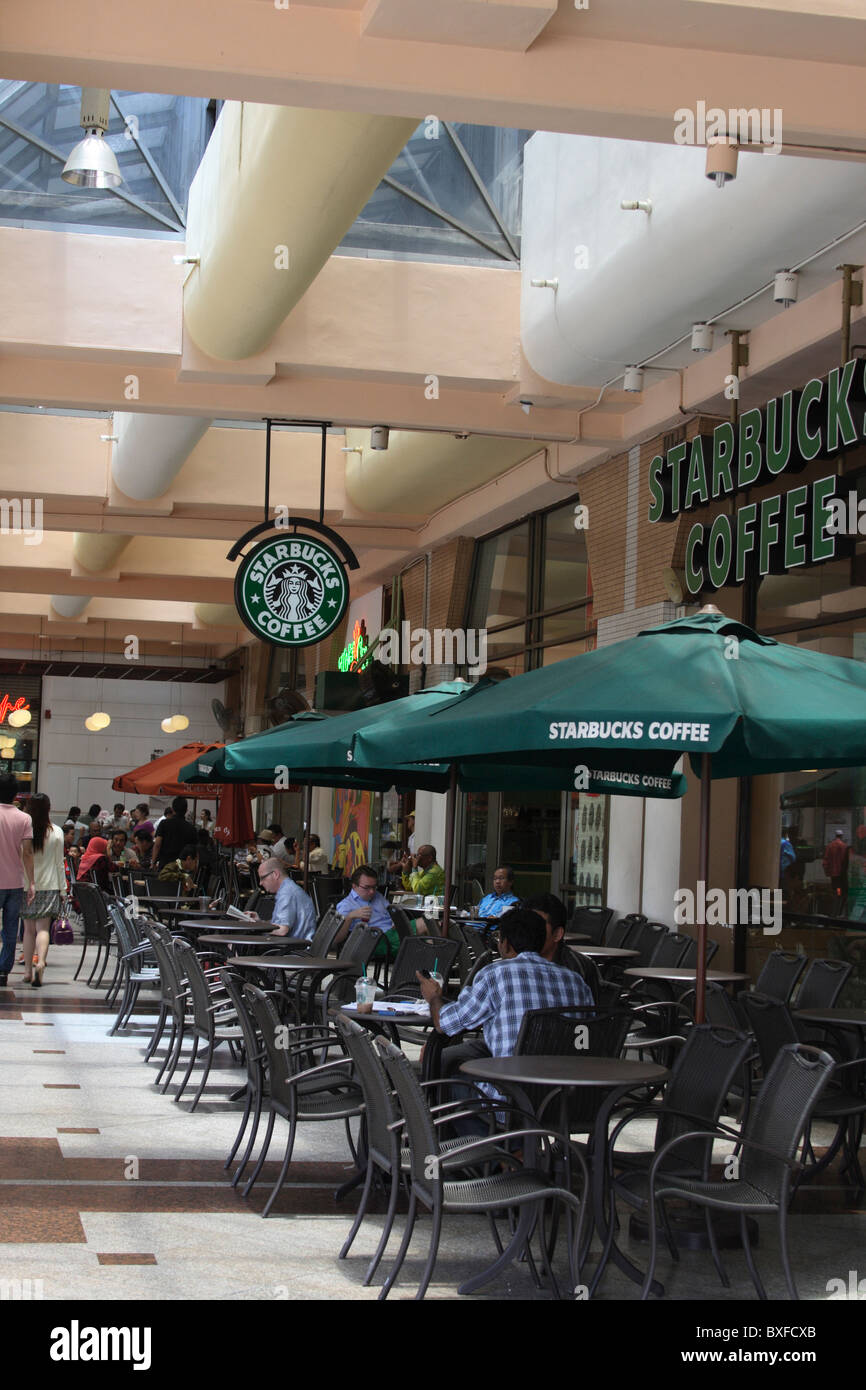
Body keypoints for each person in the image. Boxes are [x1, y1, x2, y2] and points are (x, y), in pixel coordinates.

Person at [418, 908, 593, 1099]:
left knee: (447, 1084)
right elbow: (585, 1041)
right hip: (566, 1102)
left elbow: (445, 1024)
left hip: (511, 1102)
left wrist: (434, 997)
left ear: (506, 944)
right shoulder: (576, 981)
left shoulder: (495, 975)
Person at [20, 793, 65, 987]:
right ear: (48, 808)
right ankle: (42, 962)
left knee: (28, 930)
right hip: (51, 885)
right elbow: (59, 864)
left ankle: (28, 971)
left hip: (26, 885)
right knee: (43, 929)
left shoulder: (24, 831)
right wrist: (63, 890)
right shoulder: (56, 832)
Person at [334, 864, 426, 956]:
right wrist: (350, 917)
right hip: (377, 941)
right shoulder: (346, 905)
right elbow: (336, 939)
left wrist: (396, 919)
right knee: (426, 924)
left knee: (428, 937)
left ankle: (421, 969)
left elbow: (391, 912)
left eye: (374, 887)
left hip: (393, 933)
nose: (372, 891)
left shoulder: (377, 896)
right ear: (354, 886)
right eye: (367, 887)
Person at [0, 774, 35, 988]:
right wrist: (31, 882)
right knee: (11, 929)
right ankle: (3, 971)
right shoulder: (24, 818)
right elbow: (28, 853)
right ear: (15, 794)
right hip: (15, 882)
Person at [248, 857, 316, 940]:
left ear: (275, 874)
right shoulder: (288, 888)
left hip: (291, 948)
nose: (260, 883)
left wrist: (257, 926)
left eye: (263, 878)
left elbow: (282, 930)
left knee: (237, 945)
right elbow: (279, 924)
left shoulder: (287, 893)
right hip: (291, 945)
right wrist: (260, 922)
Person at [152, 796, 197, 869]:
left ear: (172, 810)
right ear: (186, 810)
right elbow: (193, 851)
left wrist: (153, 862)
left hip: (165, 864)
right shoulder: (191, 828)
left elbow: (157, 844)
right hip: (182, 866)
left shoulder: (164, 823)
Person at [823, 828, 849, 914]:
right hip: (842, 873)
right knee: (843, 892)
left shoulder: (830, 846)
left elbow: (825, 861)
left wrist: (827, 871)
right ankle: (840, 912)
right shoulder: (844, 846)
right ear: (841, 836)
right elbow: (846, 861)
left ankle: (834, 911)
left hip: (833, 874)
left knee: (835, 891)